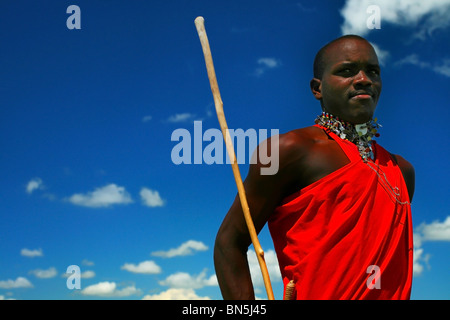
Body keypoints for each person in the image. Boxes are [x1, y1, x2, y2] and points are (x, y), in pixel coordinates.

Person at [213, 35, 415, 300]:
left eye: (373, 72)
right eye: (346, 71)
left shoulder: (402, 170)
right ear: (317, 89)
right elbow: (229, 243)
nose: (364, 79)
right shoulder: (289, 151)